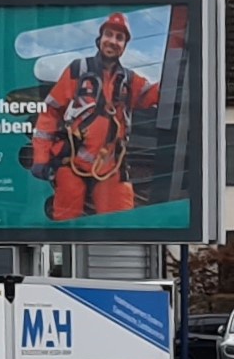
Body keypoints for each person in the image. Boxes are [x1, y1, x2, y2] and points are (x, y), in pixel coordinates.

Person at [24, 12, 161, 221]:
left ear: (124, 46)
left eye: (119, 38)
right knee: (67, 221)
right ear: (100, 38)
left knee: (122, 222)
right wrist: (41, 157)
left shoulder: (129, 81)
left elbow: (154, 94)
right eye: (109, 34)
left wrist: (181, 75)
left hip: (110, 166)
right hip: (72, 163)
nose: (113, 41)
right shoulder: (78, 71)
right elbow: (50, 113)